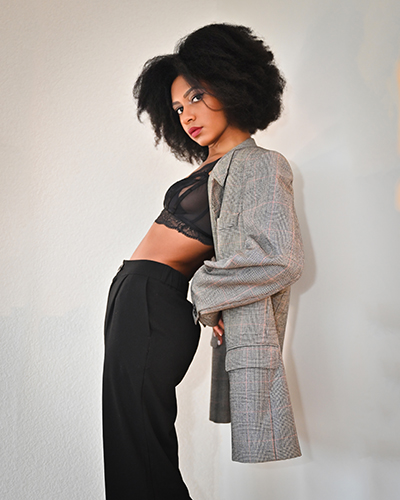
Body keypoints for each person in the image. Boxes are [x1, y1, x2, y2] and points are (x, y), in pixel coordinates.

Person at [102, 23, 304, 500]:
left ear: (233, 85)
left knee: (140, 450)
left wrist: (205, 294)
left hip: (157, 301)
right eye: (177, 108)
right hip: (136, 297)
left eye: (196, 96)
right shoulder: (214, 165)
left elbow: (279, 255)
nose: (187, 115)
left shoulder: (259, 163)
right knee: (130, 442)